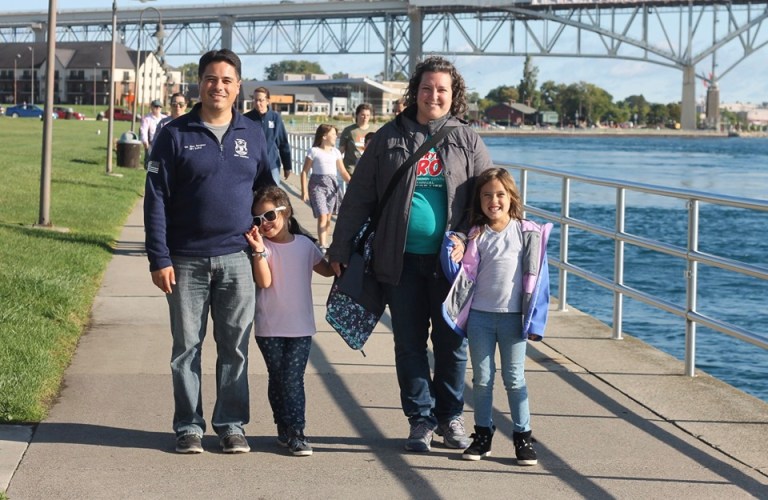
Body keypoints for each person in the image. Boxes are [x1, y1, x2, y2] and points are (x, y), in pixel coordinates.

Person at [327, 56, 494, 453]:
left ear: (453, 96)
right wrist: (339, 246)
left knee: (453, 342)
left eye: (442, 89)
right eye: (426, 87)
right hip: (398, 260)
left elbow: (491, 197)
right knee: (409, 342)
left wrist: (472, 241)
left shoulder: (467, 139)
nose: (433, 95)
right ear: (414, 91)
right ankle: (420, 418)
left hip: (451, 265)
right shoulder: (388, 137)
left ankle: (450, 416)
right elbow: (358, 197)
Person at [144, 48, 274, 455]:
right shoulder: (174, 134)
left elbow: (266, 189)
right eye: (211, 79)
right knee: (186, 347)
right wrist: (159, 258)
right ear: (198, 84)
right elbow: (156, 199)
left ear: (238, 88)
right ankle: (188, 426)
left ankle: (231, 424)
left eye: (227, 80)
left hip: (237, 257)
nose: (218, 86)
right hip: (186, 260)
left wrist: (273, 228)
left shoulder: (252, 134)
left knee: (235, 346)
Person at [441, 167, 552, 466]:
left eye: (500, 194)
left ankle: (523, 437)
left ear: (511, 197)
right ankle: (483, 435)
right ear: (478, 200)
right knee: (482, 380)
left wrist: (536, 322)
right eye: (487, 195)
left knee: (515, 379)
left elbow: (540, 281)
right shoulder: (475, 235)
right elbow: (459, 267)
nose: (494, 201)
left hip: (514, 319)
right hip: (479, 318)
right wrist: (458, 244)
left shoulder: (527, 232)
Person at [244, 186, 334, 457]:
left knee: (292, 379)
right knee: (278, 377)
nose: (265, 223)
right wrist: (259, 250)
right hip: (269, 328)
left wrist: (344, 253)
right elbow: (264, 281)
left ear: (287, 211)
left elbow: (328, 270)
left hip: (301, 327)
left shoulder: (306, 245)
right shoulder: (263, 248)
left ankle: (296, 431)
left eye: (270, 215)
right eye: (258, 219)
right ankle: (284, 427)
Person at [300, 124, 351, 250]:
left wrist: (353, 182)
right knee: (322, 215)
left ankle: (325, 241)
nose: (335, 137)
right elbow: (304, 171)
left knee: (328, 217)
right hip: (317, 186)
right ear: (324, 136)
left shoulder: (336, 152)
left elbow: (343, 172)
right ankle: (323, 245)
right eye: (333, 134)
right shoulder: (314, 151)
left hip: (332, 186)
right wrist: (304, 191)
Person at [244, 86, 292, 184]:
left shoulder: (275, 118)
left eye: (261, 100)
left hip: (272, 165)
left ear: (267, 101)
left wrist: (287, 166)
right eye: (255, 100)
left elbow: (283, 143)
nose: (258, 103)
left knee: (273, 196)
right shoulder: (246, 118)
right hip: (252, 166)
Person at [338, 103, 374, 177]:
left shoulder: (375, 130)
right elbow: (340, 151)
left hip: (369, 170)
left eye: (368, 115)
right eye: (363, 115)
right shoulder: (348, 130)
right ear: (357, 115)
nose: (365, 118)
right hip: (352, 170)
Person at [139, 99, 167, 166]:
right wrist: (146, 143)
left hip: (163, 144)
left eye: (159, 107)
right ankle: (152, 175)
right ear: (151, 107)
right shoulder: (147, 119)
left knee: (163, 163)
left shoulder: (165, 118)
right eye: (155, 106)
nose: (157, 108)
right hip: (152, 144)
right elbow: (144, 131)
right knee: (152, 164)